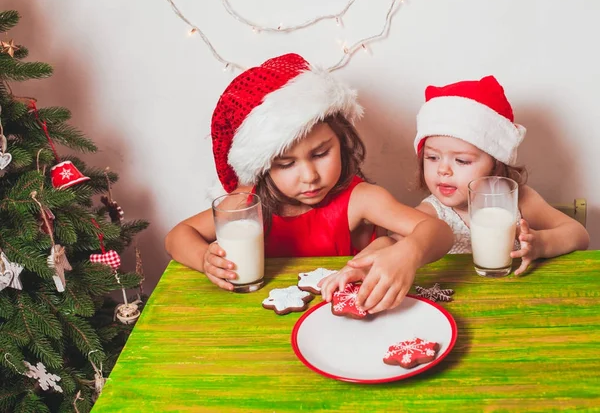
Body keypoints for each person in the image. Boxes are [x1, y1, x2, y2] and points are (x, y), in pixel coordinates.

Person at [165, 53, 454, 313]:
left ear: (341, 141)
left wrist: (408, 252)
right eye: (286, 164)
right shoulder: (246, 203)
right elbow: (178, 235)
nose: (309, 176)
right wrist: (204, 258)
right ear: (263, 167)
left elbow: (439, 231)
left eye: (320, 153)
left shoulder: (362, 200)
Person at [408, 75, 589, 275]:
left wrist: (541, 244)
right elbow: (392, 244)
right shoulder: (430, 213)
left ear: (496, 163)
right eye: (432, 157)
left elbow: (579, 235)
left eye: (461, 161)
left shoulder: (520, 201)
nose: (443, 170)